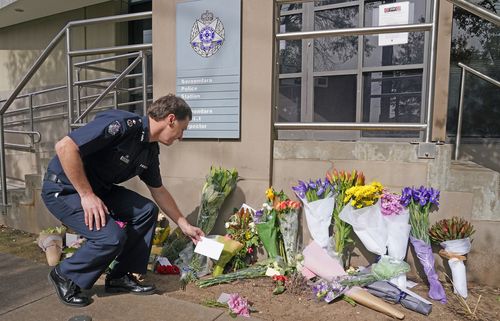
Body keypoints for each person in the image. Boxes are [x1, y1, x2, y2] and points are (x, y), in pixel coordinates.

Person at [41, 94, 204, 307]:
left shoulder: (150, 150)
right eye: (182, 129)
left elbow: (159, 190)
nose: (181, 136)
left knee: (146, 210)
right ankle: (65, 275)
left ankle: (120, 276)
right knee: (111, 238)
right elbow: (65, 147)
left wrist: (184, 224)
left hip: (98, 191)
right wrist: (87, 195)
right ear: (171, 119)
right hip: (65, 189)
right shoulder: (122, 125)